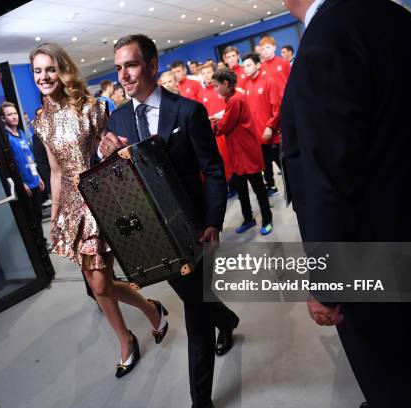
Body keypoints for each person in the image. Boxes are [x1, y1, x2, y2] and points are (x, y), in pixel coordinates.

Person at [281, 1, 411, 407]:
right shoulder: (396, 18)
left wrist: (325, 284)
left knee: (388, 373)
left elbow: (326, 180)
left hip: (364, 256)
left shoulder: (325, 39)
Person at [101, 34, 240, 408]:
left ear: (151, 65)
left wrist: (213, 221)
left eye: (130, 65)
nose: (124, 75)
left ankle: (201, 401)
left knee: (195, 315)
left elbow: (213, 171)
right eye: (118, 68)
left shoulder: (188, 111)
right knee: (195, 296)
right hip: (153, 238)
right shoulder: (115, 119)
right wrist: (108, 157)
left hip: (194, 229)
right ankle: (226, 320)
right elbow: (118, 183)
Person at [29, 42, 168, 378]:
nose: (44, 77)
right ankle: (127, 338)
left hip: (100, 199)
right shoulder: (41, 121)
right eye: (37, 71)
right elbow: (55, 170)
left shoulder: (91, 107)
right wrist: (58, 213)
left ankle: (149, 310)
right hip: (73, 210)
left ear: (62, 70)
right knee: (96, 285)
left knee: (102, 284)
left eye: (50, 69)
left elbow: (113, 153)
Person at [212, 69, 273, 236]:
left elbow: (223, 127)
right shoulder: (232, 99)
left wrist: (215, 125)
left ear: (225, 84)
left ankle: (267, 220)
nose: (215, 89)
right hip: (238, 155)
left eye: (217, 86)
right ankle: (249, 219)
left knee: (259, 190)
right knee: (242, 191)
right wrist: (222, 118)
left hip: (247, 154)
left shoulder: (235, 100)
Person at [0, 101, 45, 240]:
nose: (14, 116)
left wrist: (38, 177)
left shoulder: (21, 133)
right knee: (30, 217)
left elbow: (29, 157)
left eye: (15, 113)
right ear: (3, 118)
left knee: (38, 214)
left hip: (34, 180)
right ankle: (38, 242)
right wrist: (21, 183)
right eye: (9, 114)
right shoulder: (6, 138)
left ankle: (42, 240)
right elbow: (10, 164)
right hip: (24, 185)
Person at [242, 53, 282, 197]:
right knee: (265, 165)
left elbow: (276, 108)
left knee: (282, 164)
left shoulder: (269, 81)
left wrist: (270, 126)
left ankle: (296, 186)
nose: (245, 69)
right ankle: (271, 186)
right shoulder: (247, 86)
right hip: (257, 136)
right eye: (244, 66)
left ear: (258, 65)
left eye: (248, 65)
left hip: (272, 134)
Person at [198, 63, 232, 183]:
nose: (207, 76)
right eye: (204, 74)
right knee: (221, 158)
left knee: (232, 156)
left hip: (228, 127)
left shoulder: (222, 89)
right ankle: (229, 183)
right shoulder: (201, 94)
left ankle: (237, 182)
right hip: (214, 131)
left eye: (209, 72)